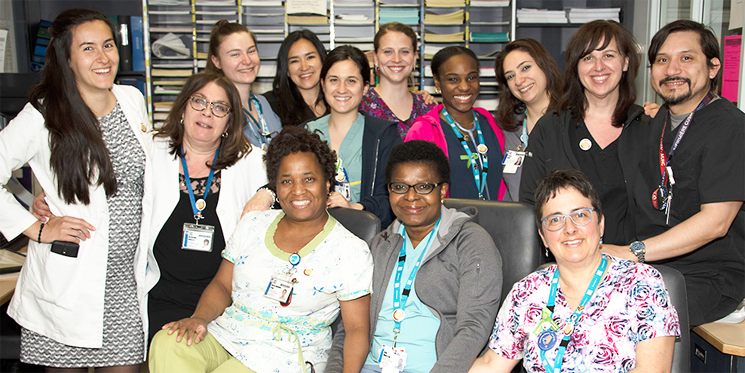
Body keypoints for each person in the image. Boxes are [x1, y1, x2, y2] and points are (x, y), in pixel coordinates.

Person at [149, 126, 373, 373]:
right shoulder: (253, 224)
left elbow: (356, 329)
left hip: (285, 354)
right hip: (227, 335)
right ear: (275, 188)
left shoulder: (350, 250)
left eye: (309, 179)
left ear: (327, 183)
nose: (298, 190)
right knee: (170, 342)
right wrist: (199, 318)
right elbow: (223, 286)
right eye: (286, 181)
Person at [0, 9, 150, 372]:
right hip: (71, 282)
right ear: (67, 58)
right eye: (88, 48)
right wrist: (35, 227)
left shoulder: (131, 99)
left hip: (125, 285)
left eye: (108, 45)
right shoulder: (44, 113)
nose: (103, 58)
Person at [602, 20, 745, 326]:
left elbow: (716, 223)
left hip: (708, 276)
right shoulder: (656, 122)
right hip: (653, 267)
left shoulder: (730, 127)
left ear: (713, 67)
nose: (672, 69)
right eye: (662, 60)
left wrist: (633, 252)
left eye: (687, 58)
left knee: (622, 320)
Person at [470, 169, 679, 373]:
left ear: (601, 225)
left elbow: (654, 369)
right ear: (543, 237)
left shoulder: (641, 282)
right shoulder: (526, 292)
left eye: (580, 215)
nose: (569, 228)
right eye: (555, 220)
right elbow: (491, 365)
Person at [327, 140, 503, 373]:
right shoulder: (379, 246)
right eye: (400, 187)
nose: (411, 197)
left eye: (423, 187)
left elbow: (474, 326)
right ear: (389, 191)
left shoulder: (471, 242)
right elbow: (349, 327)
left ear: (442, 191)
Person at [145, 73, 268, 341]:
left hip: (226, 301)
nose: (207, 113)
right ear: (182, 110)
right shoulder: (150, 151)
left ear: (229, 122)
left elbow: (294, 178)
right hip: (160, 295)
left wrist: (267, 193)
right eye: (199, 102)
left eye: (219, 107)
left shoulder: (249, 161)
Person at [520, 20, 646, 246]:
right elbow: (530, 208)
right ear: (576, 67)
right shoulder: (550, 128)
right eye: (588, 58)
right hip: (567, 264)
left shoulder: (647, 127)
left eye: (608, 55)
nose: (598, 67)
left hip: (631, 265)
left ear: (626, 62)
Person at [306, 45, 401, 227]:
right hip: (312, 236)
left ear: (365, 87)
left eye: (351, 81)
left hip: (365, 237)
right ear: (323, 84)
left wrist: (356, 207)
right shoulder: (306, 134)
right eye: (334, 80)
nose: (342, 89)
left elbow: (395, 195)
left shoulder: (384, 136)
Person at [406, 46, 507, 201]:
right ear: (438, 83)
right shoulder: (423, 131)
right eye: (453, 79)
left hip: (495, 222)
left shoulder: (491, 123)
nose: (464, 86)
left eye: (471, 77)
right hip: (450, 224)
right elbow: (413, 193)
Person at [494, 39, 563, 201]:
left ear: (544, 66)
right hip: (517, 223)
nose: (519, 81)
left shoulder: (572, 121)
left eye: (525, 68)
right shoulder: (509, 129)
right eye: (510, 76)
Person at [206, 20, 281, 149]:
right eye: (235, 54)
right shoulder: (216, 111)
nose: (247, 61)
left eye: (251, 51)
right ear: (216, 61)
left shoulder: (263, 104)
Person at [359, 22, 436, 139]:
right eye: (388, 52)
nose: (396, 59)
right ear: (375, 58)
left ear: (415, 58)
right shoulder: (361, 108)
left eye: (404, 51)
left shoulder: (427, 109)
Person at [264, 30, 328, 127]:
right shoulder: (270, 105)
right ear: (287, 70)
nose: (304, 67)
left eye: (310, 57)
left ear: (322, 60)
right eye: (295, 61)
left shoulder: (337, 100)